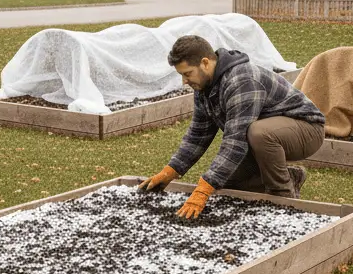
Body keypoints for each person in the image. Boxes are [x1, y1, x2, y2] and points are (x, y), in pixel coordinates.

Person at [139, 35, 325, 219]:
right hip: (266, 136)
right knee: (226, 183)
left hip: (306, 130)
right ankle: (290, 176)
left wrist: (202, 191)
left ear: (205, 63)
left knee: (258, 133)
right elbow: (198, 135)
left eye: (187, 74)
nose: (184, 81)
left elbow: (236, 141)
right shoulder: (204, 87)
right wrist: (170, 171)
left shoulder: (241, 81)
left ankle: (284, 196)